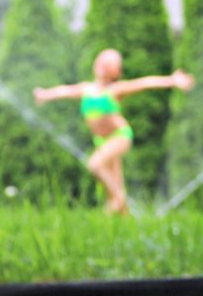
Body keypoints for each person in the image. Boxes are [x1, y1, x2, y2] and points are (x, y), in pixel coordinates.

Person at [34, 49, 194, 214]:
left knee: (95, 164)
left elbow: (144, 83)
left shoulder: (115, 90)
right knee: (114, 188)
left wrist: (172, 80)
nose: (103, 65)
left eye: (109, 63)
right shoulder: (85, 89)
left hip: (119, 137)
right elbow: (65, 90)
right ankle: (125, 219)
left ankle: (119, 199)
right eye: (102, 61)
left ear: (115, 72)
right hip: (102, 141)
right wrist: (45, 94)